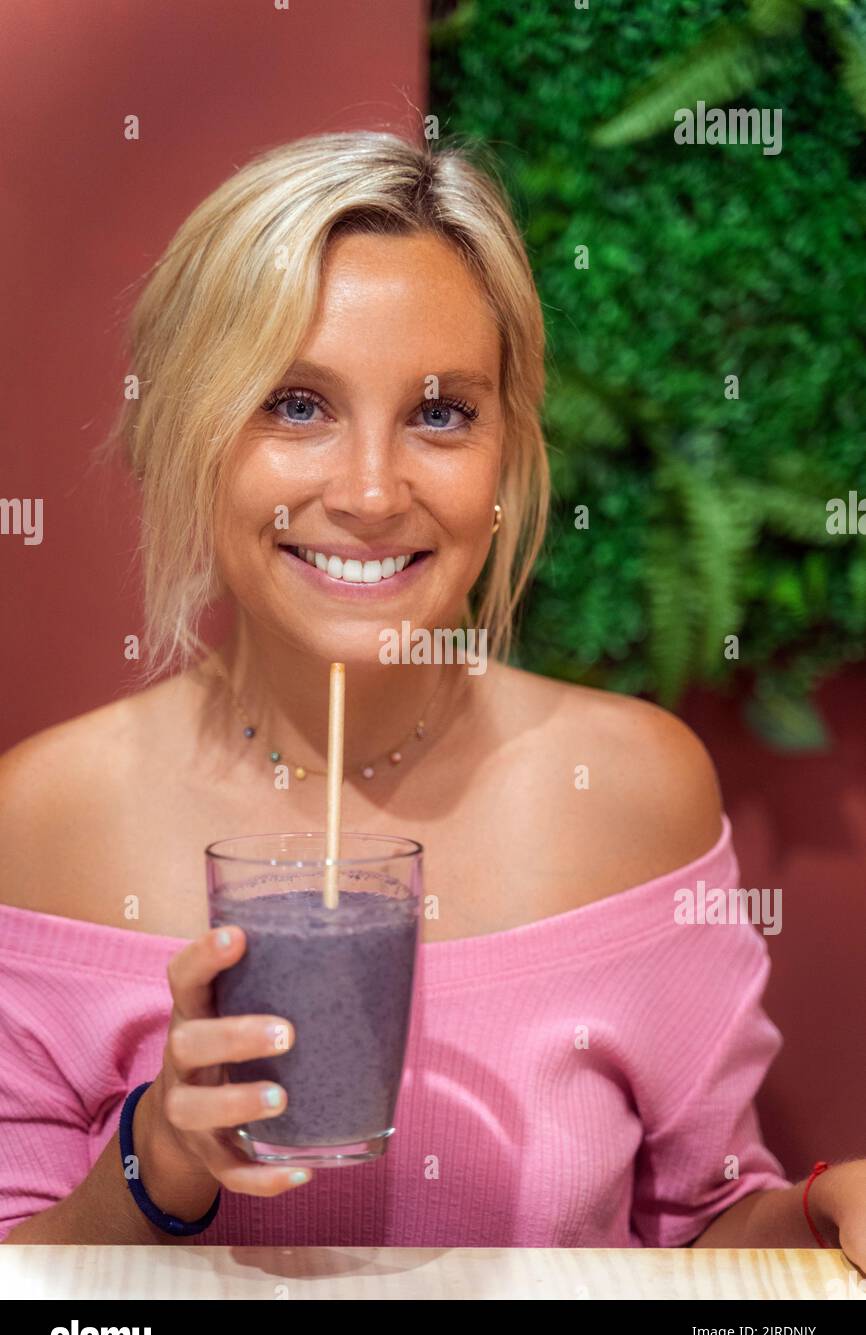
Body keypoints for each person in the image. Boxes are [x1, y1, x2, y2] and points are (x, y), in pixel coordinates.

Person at [0, 130, 862, 1259]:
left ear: (506, 457)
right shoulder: (40, 818)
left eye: (440, 412)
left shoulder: (635, 788)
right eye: (296, 404)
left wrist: (818, 1208)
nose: (369, 491)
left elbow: (697, 1231)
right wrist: (156, 1163)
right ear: (187, 432)